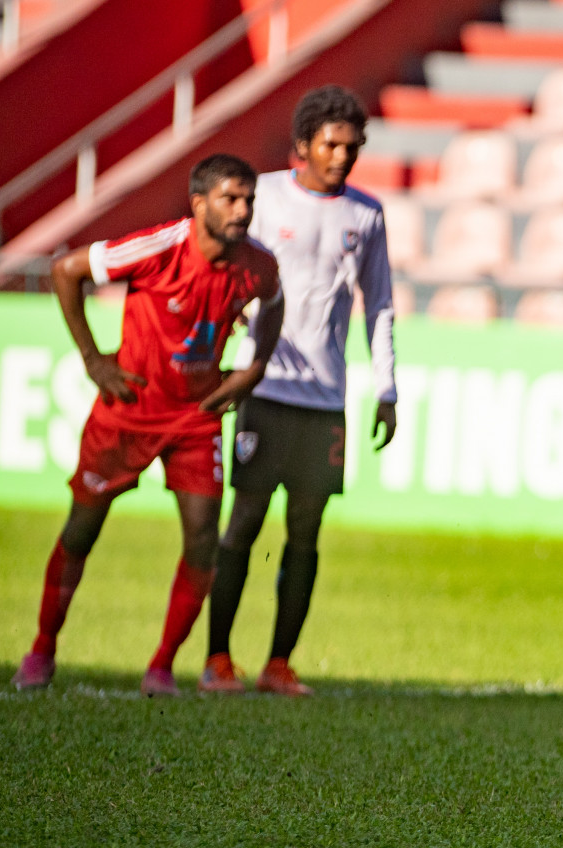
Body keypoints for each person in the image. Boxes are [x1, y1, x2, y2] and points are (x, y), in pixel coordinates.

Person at [12, 154, 283, 696]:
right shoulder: (161, 246)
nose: (243, 209)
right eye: (231, 198)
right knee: (81, 531)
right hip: (128, 412)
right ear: (199, 203)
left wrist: (253, 368)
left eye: (249, 199)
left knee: (203, 537)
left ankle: (161, 667)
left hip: (195, 418)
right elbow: (65, 270)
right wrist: (93, 359)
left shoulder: (258, 263)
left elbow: (273, 304)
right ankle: (42, 649)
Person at [199, 85, 398, 698]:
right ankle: (218, 660)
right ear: (303, 145)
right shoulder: (259, 197)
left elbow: (380, 306)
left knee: (306, 533)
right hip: (265, 387)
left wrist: (386, 386)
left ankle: (278, 664)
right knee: (244, 524)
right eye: (332, 145)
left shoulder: (366, 215)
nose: (342, 157)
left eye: (352, 147)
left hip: (326, 399)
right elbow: (220, 268)